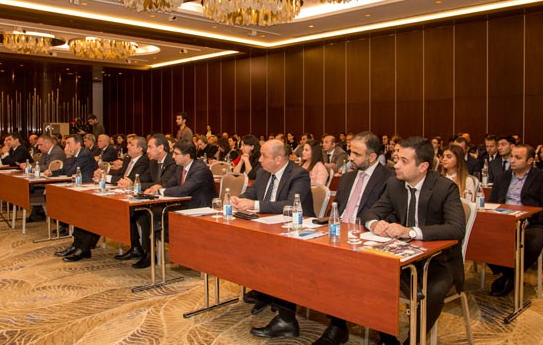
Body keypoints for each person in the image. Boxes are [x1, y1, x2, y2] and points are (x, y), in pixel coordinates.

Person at [362, 136, 465, 345]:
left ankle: (413, 341)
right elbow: (370, 213)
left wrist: (411, 232)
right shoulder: (394, 184)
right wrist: (374, 224)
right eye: (397, 159)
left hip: (439, 262)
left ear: (423, 166)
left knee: (432, 293)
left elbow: (456, 228)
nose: (396, 165)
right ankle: (388, 338)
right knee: (368, 277)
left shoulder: (445, 188)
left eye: (404, 161)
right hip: (401, 258)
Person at [313, 132, 393, 345]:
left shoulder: (389, 179)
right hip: (337, 234)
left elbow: (389, 214)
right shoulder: (348, 177)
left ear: (372, 157)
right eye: (351, 152)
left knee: (342, 266)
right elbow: (336, 209)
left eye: (357, 154)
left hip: (365, 237)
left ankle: (340, 325)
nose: (350, 158)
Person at [232, 139, 313, 339]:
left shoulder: (299, 175)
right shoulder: (263, 173)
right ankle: (265, 291)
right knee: (244, 245)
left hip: (297, 231)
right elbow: (252, 193)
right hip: (268, 227)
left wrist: (255, 205)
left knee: (279, 258)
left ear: (278, 159)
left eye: (264, 156)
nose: (259, 160)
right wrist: (240, 199)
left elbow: (290, 205)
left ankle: (286, 319)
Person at [487, 144, 543, 297]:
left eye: (518, 158)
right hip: (504, 221)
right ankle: (510, 274)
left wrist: (527, 217)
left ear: (530, 160)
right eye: (512, 156)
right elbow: (492, 203)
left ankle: (510, 277)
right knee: (482, 236)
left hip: (532, 224)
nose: (512, 160)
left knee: (533, 240)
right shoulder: (502, 177)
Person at [117, 134, 177, 269]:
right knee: (132, 211)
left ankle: (149, 253)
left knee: (145, 213)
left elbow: (162, 183)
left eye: (150, 147)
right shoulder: (154, 163)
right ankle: (137, 248)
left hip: (171, 202)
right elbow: (145, 179)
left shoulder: (172, 162)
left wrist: (135, 184)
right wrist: (131, 182)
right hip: (156, 200)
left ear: (160, 148)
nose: (147, 150)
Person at [47, 134, 99, 262]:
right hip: (81, 189)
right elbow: (65, 170)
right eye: (66, 143)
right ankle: (76, 245)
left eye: (69, 143)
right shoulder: (77, 155)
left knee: (83, 216)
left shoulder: (84, 154)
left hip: (90, 189)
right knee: (76, 215)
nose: (67, 146)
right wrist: (52, 173)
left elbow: (71, 172)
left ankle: (83, 248)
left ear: (78, 144)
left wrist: (68, 157)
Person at [156, 139, 217, 241]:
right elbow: (171, 183)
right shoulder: (180, 167)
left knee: (163, 215)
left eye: (176, 154)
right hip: (186, 205)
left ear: (187, 156)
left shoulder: (200, 169)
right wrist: (158, 187)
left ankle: (173, 242)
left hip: (201, 209)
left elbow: (183, 190)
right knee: (154, 214)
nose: (173, 156)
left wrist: (160, 191)